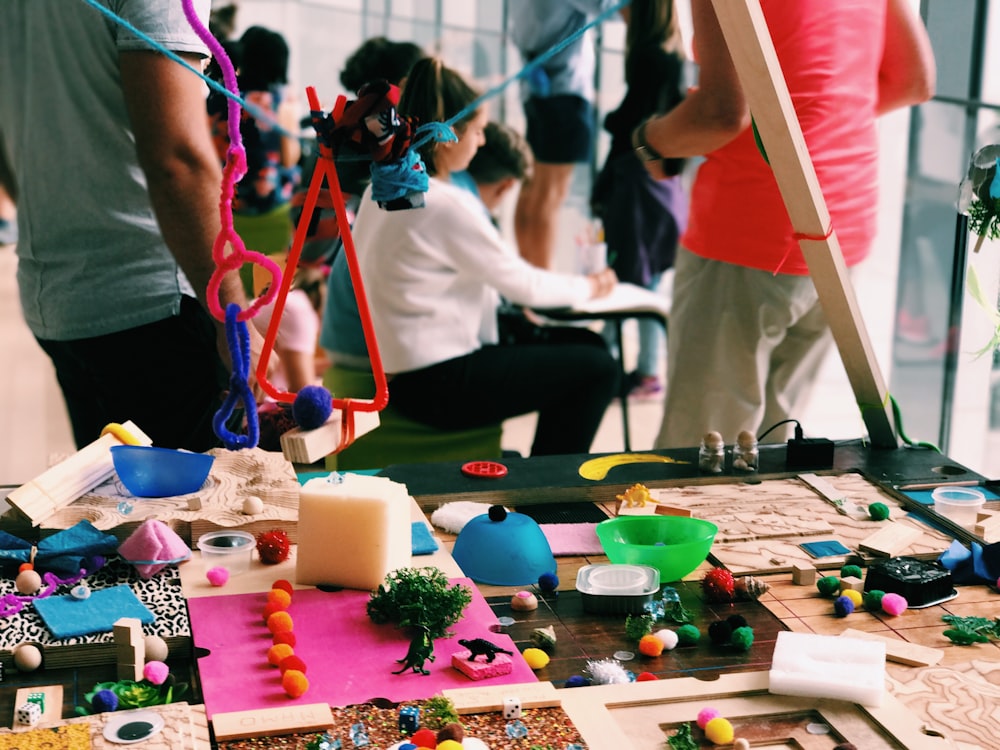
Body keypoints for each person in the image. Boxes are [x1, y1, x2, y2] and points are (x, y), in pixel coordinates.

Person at [637, 0, 935, 448]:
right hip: (840, 230)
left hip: (748, 231)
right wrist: (814, 123)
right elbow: (913, 82)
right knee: (771, 447)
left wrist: (647, 142)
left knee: (699, 454)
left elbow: (718, 115)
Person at [0, 0, 263, 451]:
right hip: (153, 307)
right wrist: (233, 319)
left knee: (115, 513)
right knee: (190, 517)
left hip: (58, 302)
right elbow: (177, 160)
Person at [348, 57, 620, 456]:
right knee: (599, 370)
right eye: (476, 131)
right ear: (447, 135)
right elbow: (524, 285)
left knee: (585, 346)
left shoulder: (382, 191)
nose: (479, 142)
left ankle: (541, 476)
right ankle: (545, 489)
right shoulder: (442, 203)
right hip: (437, 385)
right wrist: (593, 285)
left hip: (403, 376)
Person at [591, 0, 688, 400]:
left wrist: (611, 122)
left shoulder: (648, 57)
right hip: (658, 184)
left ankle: (624, 365)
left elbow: (631, 118)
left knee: (632, 276)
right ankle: (635, 366)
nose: (617, 10)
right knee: (644, 277)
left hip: (636, 185)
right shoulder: (672, 56)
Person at [508, 0, 621, 269]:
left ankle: (527, 282)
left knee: (532, 191)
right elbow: (614, 10)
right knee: (549, 196)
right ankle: (540, 288)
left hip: (537, 89)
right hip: (565, 92)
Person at [208, 25, 302, 294]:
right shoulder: (280, 103)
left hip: (224, 208)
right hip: (271, 209)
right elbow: (288, 158)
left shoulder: (218, 96)